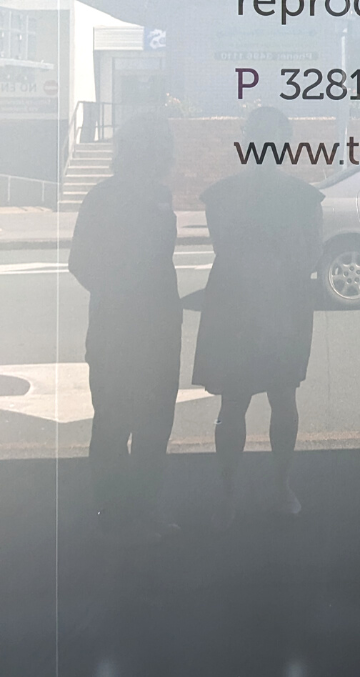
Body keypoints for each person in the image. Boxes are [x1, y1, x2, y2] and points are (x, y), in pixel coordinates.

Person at [191, 106, 324, 528]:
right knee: (279, 399)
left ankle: (230, 493)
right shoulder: (303, 197)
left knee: (240, 402)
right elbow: (310, 256)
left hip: (243, 306)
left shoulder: (222, 194)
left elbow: (225, 248)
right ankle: (276, 487)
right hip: (274, 306)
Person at [68, 111, 183, 543]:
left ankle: (118, 511)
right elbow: (81, 260)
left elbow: (81, 263)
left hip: (131, 327)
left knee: (122, 423)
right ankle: (130, 510)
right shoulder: (111, 198)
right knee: (135, 423)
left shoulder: (149, 195)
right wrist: (124, 290)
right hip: (134, 327)